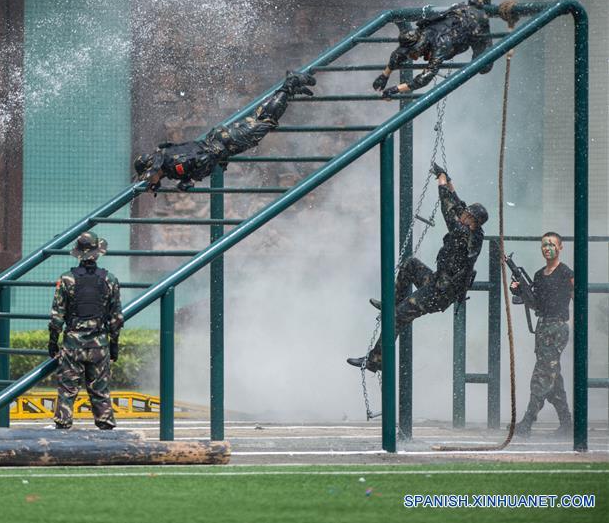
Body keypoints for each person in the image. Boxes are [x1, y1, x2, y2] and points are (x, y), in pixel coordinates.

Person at [347, 165, 488, 372]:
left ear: (473, 222)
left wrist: (441, 183)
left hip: (440, 293)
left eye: (467, 216)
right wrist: (448, 180)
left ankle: (375, 362)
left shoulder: (465, 235)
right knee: (410, 264)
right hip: (437, 281)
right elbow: (458, 206)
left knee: (397, 317)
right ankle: (392, 301)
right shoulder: (469, 228)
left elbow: (448, 210)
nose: (463, 215)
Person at [134, 70, 316, 191]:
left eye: (148, 178)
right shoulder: (165, 159)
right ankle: (289, 90)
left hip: (225, 143)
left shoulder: (171, 164)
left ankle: (290, 84)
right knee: (258, 118)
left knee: (266, 120)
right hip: (222, 140)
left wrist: (190, 180)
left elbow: (204, 159)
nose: (148, 181)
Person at [48, 232, 123, 430]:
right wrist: (114, 347)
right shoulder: (110, 280)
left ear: (78, 253)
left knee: (67, 391)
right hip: (99, 344)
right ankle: (107, 433)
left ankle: (62, 433)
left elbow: (56, 318)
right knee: (100, 391)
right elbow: (116, 320)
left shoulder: (66, 279)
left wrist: (52, 343)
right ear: (98, 253)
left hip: (73, 344)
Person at [372, 0, 495, 98]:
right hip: (460, 12)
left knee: (484, 66)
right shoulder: (419, 33)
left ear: (420, 47)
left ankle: (481, 1)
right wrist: (384, 75)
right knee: (474, 8)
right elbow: (398, 55)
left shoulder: (440, 43)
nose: (413, 58)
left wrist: (395, 89)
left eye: (413, 54)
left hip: (476, 26)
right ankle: (480, 0)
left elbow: (425, 78)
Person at [511, 232, 573, 438]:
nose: (547, 248)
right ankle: (566, 423)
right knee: (553, 378)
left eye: (551, 244)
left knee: (542, 375)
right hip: (543, 327)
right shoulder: (538, 275)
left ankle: (527, 422)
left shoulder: (566, 273)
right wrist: (520, 291)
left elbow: (577, 295)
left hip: (556, 327)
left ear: (560, 247)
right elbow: (535, 304)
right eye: (544, 245)